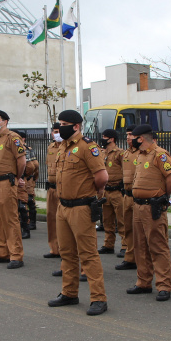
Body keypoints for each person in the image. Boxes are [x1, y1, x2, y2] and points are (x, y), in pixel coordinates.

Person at [47, 110, 110, 316]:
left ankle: (98, 298)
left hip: (81, 207)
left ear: (76, 126)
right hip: (63, 207)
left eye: (65, 123)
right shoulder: (62, 147)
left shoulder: (87, 147)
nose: (60, 127)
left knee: (88, 254)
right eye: (60, 123)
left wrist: (93, 192)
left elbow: (101, 176)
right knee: (66, 253)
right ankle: (69, 293)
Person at [126, 124, 171, 301]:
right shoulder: (140, 155)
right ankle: (143, 282)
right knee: (140, 246)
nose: (130, 139)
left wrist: (163, 196)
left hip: (152, 206)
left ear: (141, 138)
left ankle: (163, 285)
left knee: (157, 246)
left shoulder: (160, 154)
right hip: (138, 206)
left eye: (133, 137)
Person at [0, 110, 26, 269]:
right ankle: (3, 252)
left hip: (6, 182)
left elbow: (21, 161)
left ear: (5, 122)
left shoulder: (12, 137)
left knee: (10, 219)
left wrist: (17, 177)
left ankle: (16, 254)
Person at [115, 126, 140, 271]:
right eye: (127, 135)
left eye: (131, 135)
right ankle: (130, 257)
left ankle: (142, 257)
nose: (128, 137)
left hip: (139, 197)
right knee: (127, 228)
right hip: (127, 195)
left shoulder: (142, 153)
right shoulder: (126, 154)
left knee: (140, 229)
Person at [98, 129, 124, 256]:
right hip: (106, 191)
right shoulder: (103, 154)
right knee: (107, 221)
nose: (102, 139)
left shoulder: (120, 153)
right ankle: (108, 245)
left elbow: (127, 170)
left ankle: (125, 246)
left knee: (122, 220)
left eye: (104, 137)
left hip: (117, 191)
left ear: (112, 139)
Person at [43, 123, 63, 258]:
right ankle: (54, 248)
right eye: (54, 131)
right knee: (51, 219)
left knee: (63, 221)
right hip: (51, 188)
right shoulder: (50, 147)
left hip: (63, 189)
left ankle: (64, 248)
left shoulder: (67, 147)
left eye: (59, 131)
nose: (56, 134)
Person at [16, 130, 36, 240]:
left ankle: (26, 229)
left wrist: (23, 176)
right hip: (14, 180)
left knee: (23, 205)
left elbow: (31, 166)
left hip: (20, 180)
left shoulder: (23, 149)